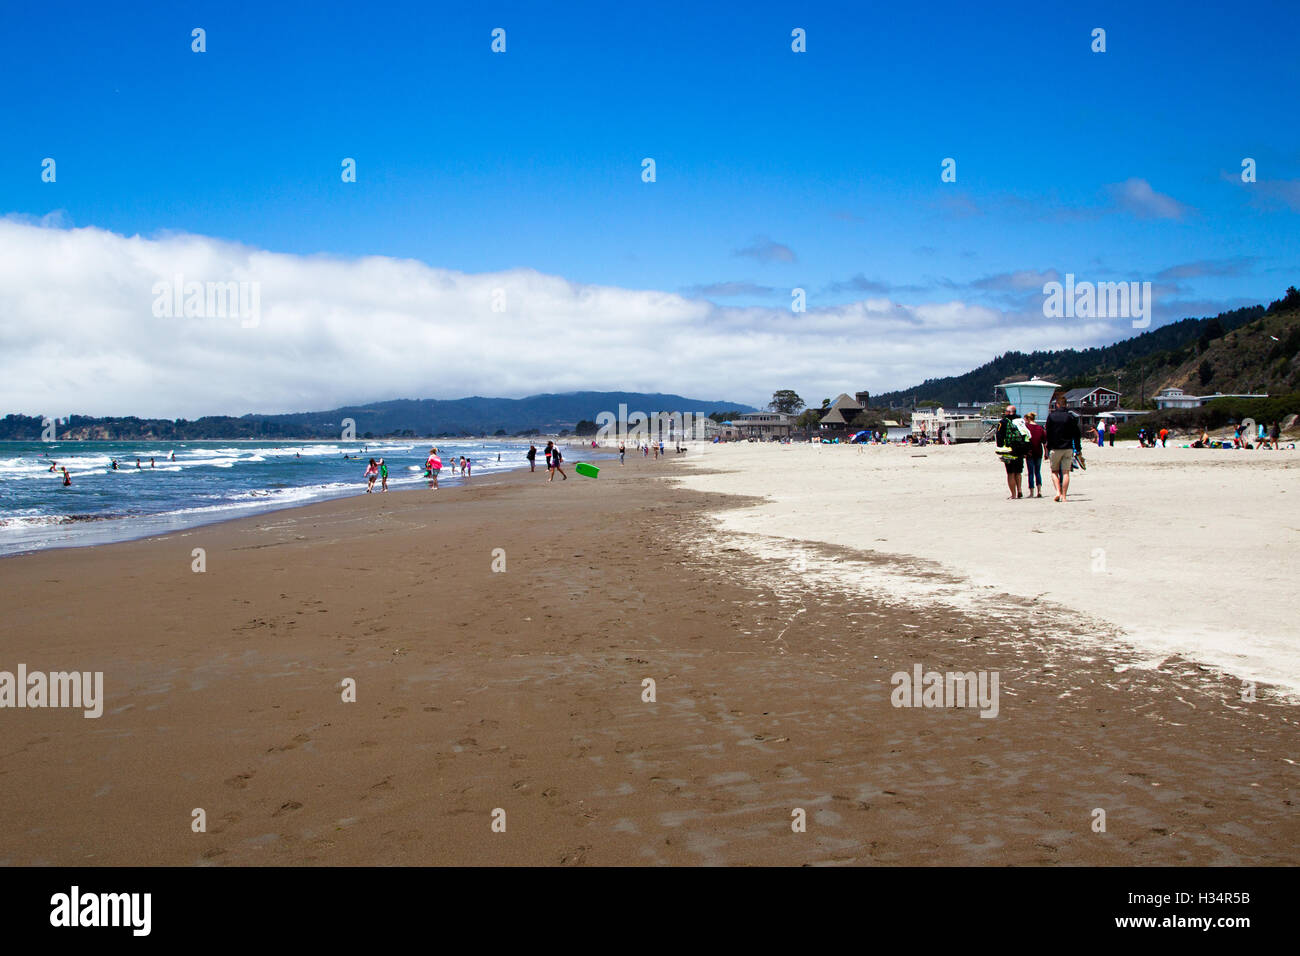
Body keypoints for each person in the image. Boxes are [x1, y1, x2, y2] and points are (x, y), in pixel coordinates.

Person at [1045, 395, 1082, 502]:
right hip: (1068, 447)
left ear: (1057, 404)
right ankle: (1064, 496)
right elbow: (1076, 434)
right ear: (1066, 405)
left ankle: (1058, 492)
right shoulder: (1070, 417)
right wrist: (1078, 448)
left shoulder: (1051, 416)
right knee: (1066, 473)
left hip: (1055, 448)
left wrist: (1047, 447)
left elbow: (1048, 433)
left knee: (1054, 472)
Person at [994, 404, 1027, 500]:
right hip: (1020, 449)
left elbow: (999, 436)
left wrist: (1000, 449)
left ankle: (1013, 494)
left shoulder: (1003, 422)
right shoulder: (1020, 421)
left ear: (1007, 412)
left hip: (1008, 450)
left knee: (1010, 473)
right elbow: (1025, 434)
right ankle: (1020, 490)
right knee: (1018, 472)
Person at [1024, 411, 1046, 498]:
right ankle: (1039, 490)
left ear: (1029, 419)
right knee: (1038, 472)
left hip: (1029, 452)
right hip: (1039, 452)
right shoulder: (1040, 428)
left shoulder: (1026, 428)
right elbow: (1044, 442)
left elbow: (1025, 441)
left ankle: (1032, 492)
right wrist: (1046, 453)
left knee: (1030, 472)